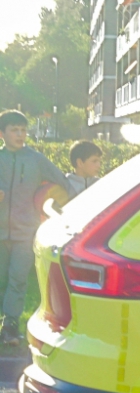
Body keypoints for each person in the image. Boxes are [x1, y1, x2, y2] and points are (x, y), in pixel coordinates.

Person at [0, 110, 69, 346]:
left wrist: (66, 208)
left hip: (25, 232)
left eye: (23, 130)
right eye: (14, 130)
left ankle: (10, 325)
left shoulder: (37, 159)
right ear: (2, 134)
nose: (20, 134)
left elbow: (64, 183)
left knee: (18, 279)